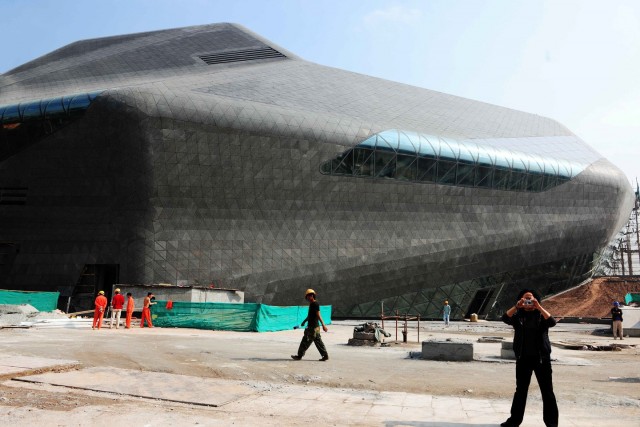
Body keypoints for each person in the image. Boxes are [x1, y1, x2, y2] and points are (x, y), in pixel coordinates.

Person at [501, 289, 558, 427]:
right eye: (525, 299)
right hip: (523, 359)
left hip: (542, 359)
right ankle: (514, 421)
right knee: (520, 391)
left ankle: (551, 423)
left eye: (530, 299)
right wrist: (516, 306)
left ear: (535, 300)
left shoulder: (541, 315)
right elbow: (504, 318)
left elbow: (552, 322)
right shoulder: (518, 317)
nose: (527, 301)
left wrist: (538, 307)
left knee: (547, 391)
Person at [291, 289, 329, 361]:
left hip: (313, 328)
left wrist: (323, 325)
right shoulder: (311, 304)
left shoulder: (315, 304)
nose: (308, 297)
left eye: (310, 296)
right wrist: (304, 321)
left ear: (313, 296)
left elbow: (318, 315)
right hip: (314, 327)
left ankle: (299, 356)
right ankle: (325, 355)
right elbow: (310, 315)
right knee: (318, 341)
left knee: (305, 341)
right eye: (307, 296)